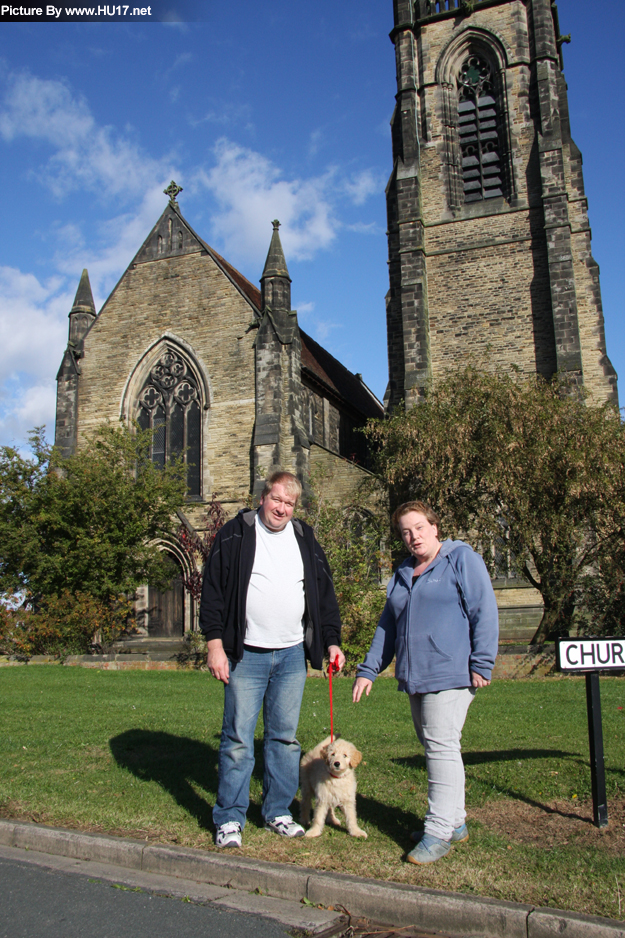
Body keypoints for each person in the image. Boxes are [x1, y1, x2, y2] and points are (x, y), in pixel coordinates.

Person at [199, 470, 345, 848]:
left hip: (292, 654)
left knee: (284, 740)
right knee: (237, 740)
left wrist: (331, 642)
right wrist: (215, 645)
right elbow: (213, 591)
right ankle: (230, 818)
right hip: (246, 654)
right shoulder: (236, 533)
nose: (282, 508)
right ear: (263, 497)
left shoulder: (304, 538)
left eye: (289, 503)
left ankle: (277, 811)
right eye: (277, 499)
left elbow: (324, 595)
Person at [352, 501, 498, 865]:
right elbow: (388, 627)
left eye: (419, 527)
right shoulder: (403, 572)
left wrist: (482, 662)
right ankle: (456, 821)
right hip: (415, 676)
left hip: (450, 672)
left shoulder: (461, 559)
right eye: (405, 531)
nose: (413, 536)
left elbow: (484, 609)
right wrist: (369, 669)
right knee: (440, 745)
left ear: (435, 527)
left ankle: (437, 832)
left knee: (439, 747)